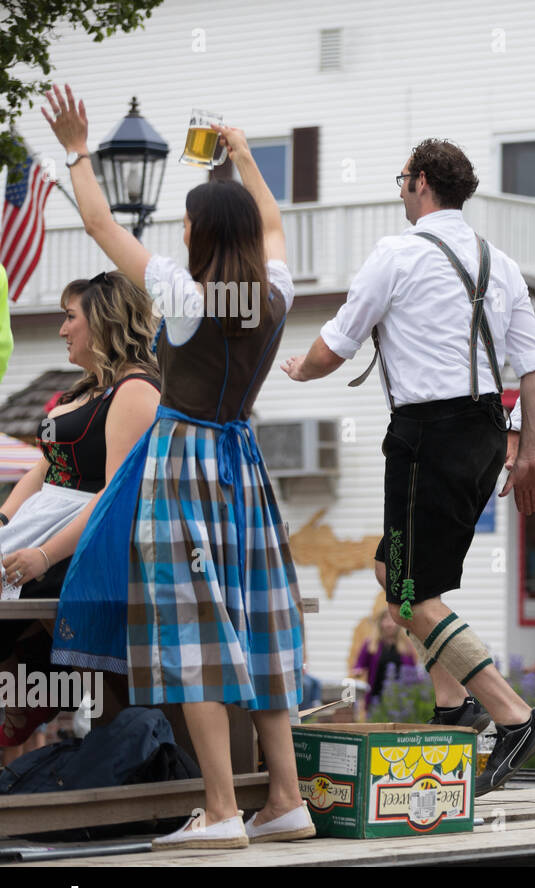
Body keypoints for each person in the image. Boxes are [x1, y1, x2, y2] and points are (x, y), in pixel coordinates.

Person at [44, 84, 312, 849]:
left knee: (194, 632)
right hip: (243, 466)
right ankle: (286, 799)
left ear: (200, 232)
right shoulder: (275, 292)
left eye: (189, 222)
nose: (182, 230)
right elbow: (275, 224)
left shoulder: (183, 295)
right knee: (257, 623)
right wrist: (247, 157)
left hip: (184, 464)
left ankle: (222, 810)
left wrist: (77, 151)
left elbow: (99, 224)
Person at [282, 138, 535, 793]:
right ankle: (452, 704)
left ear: (422, 182)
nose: (400, 188)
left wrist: (299, 369)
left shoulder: (397, 253)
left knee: (406, 590)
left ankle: (514, 716)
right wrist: (529, 455)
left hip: (427, 434)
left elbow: (336, 345)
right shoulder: (500, 262)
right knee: (403, 574)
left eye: (402, 177)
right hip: (487, 431)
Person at [0, 272, 160, 745]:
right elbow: (43, 467)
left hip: (84, 537)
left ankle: (36, 690)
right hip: (43, 522)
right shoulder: (84, 389)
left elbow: (114, 496)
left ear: (104, 321)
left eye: (71, 317)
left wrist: (44, 554)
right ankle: (30, 688)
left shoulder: (135, 391)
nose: (62, 329)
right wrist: (4, 518)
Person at [351, 610, 417, 712]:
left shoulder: (406, 645)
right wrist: (358, 671)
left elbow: (412, 670)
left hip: (400, 698)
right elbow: (359, 664)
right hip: (376, 697)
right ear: (380, 623)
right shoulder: (370, 644)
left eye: (393, 620)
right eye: (386, 620)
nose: (390, 624)